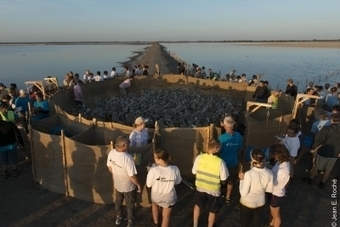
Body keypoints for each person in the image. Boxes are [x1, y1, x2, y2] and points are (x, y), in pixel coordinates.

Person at [192, 139, 228, 227]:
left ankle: (195, 224)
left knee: (198, 205)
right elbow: (224, 178)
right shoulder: (220, 162)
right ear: (216, 149)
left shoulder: (199, 158)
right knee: (213, 210)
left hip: (200, 187)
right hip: (213, 190)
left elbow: (194, 172)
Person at [107, 135, 141, 227]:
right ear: (124, 145)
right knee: (130, 204)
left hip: (118, 184)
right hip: (128, 186)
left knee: (118, 201)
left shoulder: (111, 152)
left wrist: (116, 174)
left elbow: (109, 167)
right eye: (128, 143)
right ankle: (130, 221)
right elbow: (132, 176)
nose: (130, 145)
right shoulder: (128, 158)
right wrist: (138, 184)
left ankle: (119, 217)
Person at [239, 148, 273, 227]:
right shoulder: (269, 172)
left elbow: (243, 194)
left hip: (247, 204)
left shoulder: (249, 174)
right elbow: (269, 190)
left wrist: (242, 180)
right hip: (260, 203)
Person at [146, 149, 182, 227]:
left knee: (154, 203)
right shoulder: (175, 169)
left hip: (156, 196)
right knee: (166, 217)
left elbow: (148, 185)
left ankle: (155, 222)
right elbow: (178, 182)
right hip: (169, 198)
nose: (154, 158)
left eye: (155, 157)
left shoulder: (153, 170)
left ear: (161, 159)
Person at [308, 113, 340, 188]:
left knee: (317, 166)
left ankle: (310, 179)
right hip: (334, 154)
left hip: (323, 152)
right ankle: (322, 183)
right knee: (328, 170)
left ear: (331, 120)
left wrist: (313, 148)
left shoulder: (326, 129)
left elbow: (318, 139)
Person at [218, 115, 243, 203]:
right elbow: (240, 149)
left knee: (221, 179)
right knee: (230, 180)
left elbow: (218, 151)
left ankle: (219, 194)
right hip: (233, 162)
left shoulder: (221, 138)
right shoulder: (239, 136)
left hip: (223, 163)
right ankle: (228, 197)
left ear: (224, 126)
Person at [267, 144, 291, 227]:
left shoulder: (283, 170)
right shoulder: (282, 162)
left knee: (276, 215)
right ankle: (271, 224)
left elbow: (275, 182)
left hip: (275, 193)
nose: (273, 156)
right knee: (272, 212)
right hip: (274, 192)